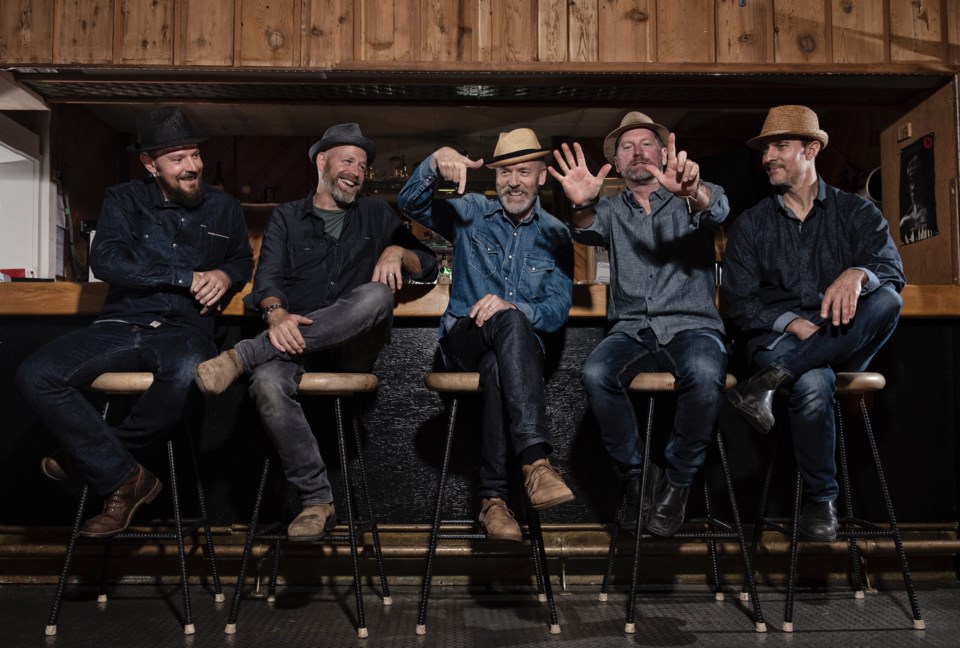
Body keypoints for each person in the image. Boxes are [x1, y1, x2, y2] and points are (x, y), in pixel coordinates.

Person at [16, 106, 254, 538]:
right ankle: (128, 477)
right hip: (121, 326)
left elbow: (241, 258)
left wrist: (225, 274)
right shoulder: (124, 199)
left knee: (186, 372)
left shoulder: (225, 207)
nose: (192, 167)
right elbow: (106, 260)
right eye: (178, 158)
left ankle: (100, 462)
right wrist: (185, 276)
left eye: (195, 155)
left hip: (186, 330)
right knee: (36, 373)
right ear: (151, 164)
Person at [194, 123, 437, 541]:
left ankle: (244, 355)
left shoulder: (378, 214)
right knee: (267, 386)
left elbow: (429, 265)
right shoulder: (287, 217)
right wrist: (276, 315)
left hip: (354, 349)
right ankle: (316, 501)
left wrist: (398, 251)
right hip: (290, 347)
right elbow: (266, 282)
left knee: (378, 296)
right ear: (322, 162)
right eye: (348, 161)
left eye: (362, 165)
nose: (356, 172)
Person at [722, 105, 905, 541]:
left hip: (844, 337)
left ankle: (768, 381)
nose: (769, 156)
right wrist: (793, 325)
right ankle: (823, 501)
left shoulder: (856, 213)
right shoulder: (750, 225)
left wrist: (857, 274)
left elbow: (891, 269)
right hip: (778, 339)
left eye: (780, 146)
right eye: (766, 148)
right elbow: (741, 303)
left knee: (888, 298)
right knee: (812, 380)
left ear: (812, 149)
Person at [548, 112, 730, 537]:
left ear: (664, 152)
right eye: (626, 147)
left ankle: (678, 481)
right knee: (595, 372)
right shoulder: (610, 209)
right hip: (631, 329)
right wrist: (580, 203)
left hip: (693, 326)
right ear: (618, 161)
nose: (637, 152)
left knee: (705, 374)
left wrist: (694, 192)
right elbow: (586, 228)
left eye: (646, 143)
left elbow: (716, 208)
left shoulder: (691, 195)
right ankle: (638, 477)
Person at [397, 129, 575, 543]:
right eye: (505, 172)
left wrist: (518, 309)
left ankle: (493, 502)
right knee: (508, 322)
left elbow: (557, 308)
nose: (513, 181)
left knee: (503, 351)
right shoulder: (472, 212)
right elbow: (410, 203)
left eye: (524, 171)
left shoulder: (556, 235)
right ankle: (535, 463)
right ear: (494, 178)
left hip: (513, 356)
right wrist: (435, 159)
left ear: (542, 176)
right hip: (463, 341)